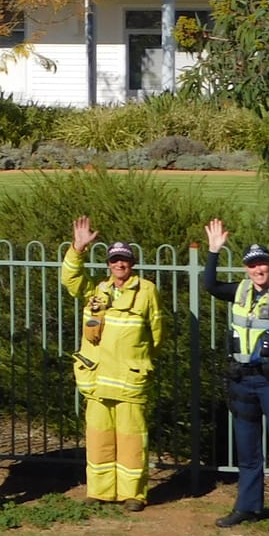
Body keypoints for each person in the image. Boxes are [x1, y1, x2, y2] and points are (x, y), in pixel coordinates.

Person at [203, 219, 269, 535]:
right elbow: (210, 285)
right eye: (252, 265)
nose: (257, 270)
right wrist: (213, 251)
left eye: (262, 263)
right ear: (246, 268)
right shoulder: (240, 290)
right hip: (242, 380)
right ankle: (248, 507)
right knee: (248, 450)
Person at [60, 217, 164, 511]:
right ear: (108, 264)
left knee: (132, 440)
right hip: (97, 378)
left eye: (125, 260)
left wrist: (139, 359)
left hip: (129, 379)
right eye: (115, 260)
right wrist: (77, 249)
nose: (120, 265)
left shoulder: (146, 291)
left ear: (133, 264)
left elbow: (157, 333)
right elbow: (69, 279)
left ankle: (134, 494)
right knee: (98, 438)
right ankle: (101, 491)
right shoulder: (96, 290)